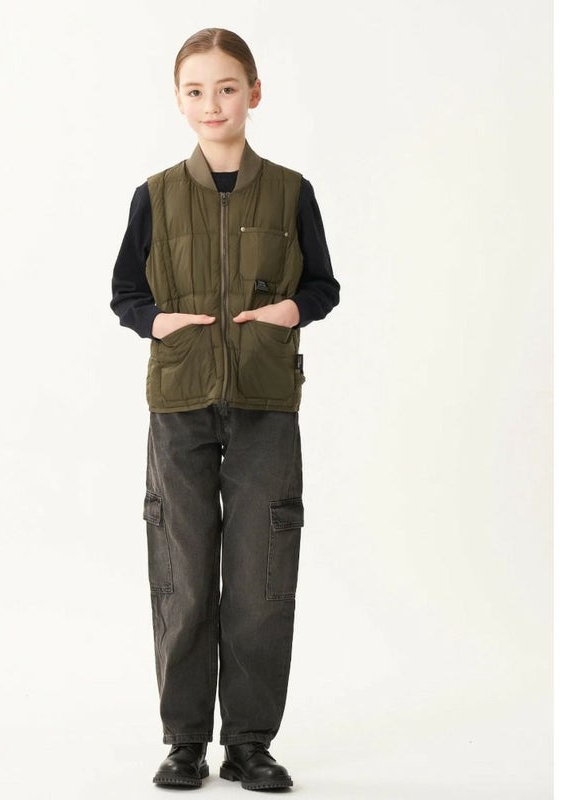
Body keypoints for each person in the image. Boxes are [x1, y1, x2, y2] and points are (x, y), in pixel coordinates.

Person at [110, 27, 340, 791]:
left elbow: (322, 286)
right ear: (179, 101)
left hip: (265, 404)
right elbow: (126, 293)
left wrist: (290, 312)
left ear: (254, 93)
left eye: (227, 87)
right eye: (196, 90)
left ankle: (248, 743)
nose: (212, 103)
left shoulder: (292, 192)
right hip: (179, 403)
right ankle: (184, 742)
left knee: (260, 575)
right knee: (182, 573)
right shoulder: (154, 195)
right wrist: (155, 323)